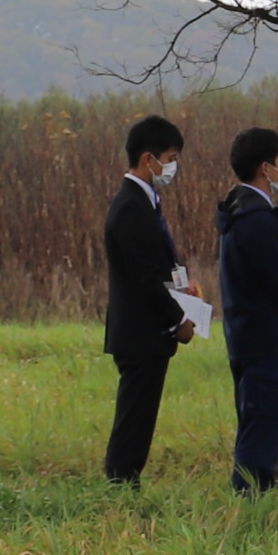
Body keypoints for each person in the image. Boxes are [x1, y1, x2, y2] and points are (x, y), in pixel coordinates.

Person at [98, 113, 195, 486]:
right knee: (135, 415)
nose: (172, 167)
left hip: (149, 333)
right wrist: (177, 320)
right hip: (140, 332)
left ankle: (127, 478)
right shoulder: (130, 208)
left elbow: (160, 264)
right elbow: (143, 278)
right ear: (147, 159)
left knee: (143, 414)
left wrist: (184, 289)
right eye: (169, 158)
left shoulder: (145, 204)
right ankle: (121, 482)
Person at [213, 127, 278, 492]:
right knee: (260, 431)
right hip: (264, 341)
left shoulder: (235, 213)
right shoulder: (258, 221)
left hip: (242, 336)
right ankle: (249, 502)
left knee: (254, 422)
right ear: (265, 167)